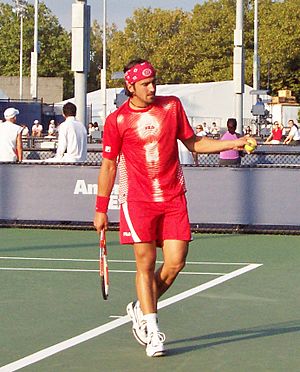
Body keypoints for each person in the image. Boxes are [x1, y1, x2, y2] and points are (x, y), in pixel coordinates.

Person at [93, 58, 250, 358]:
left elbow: (194, 143)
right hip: (137, 201)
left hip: (174, 197)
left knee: (176, 262)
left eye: (154, 82)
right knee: (145, 263)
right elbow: (109, 165)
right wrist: (101, 208)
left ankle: (141, 306)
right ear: (130, 86)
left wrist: (235, 144)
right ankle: (152, 330)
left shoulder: (172, 107)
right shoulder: (117, 121)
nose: (152, 88)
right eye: (145, 84)